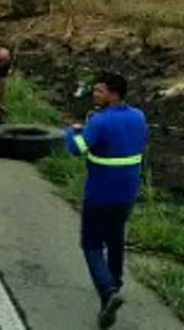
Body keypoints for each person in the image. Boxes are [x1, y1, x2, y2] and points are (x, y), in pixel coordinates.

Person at [63, 72, 148, 329]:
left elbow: (78, 148)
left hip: (100, 194)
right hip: (127, 193)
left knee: (91, 245)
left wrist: (71, 131)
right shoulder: (138, 116)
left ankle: (109, 290)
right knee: (115, 240)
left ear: (113, 94)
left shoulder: (99, 122)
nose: (95, 94)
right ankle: (114, 287)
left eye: (100, 90)